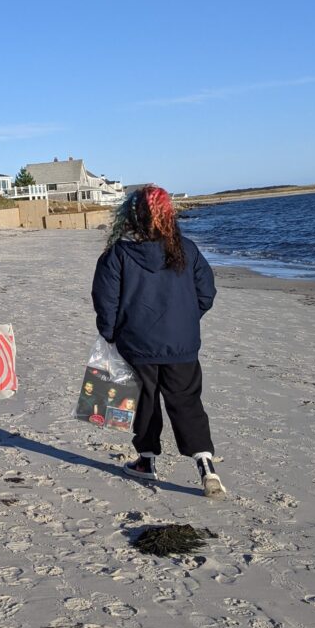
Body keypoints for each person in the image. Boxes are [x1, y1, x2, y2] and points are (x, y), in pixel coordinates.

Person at [91, 184, 225, 497]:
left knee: (145, 403)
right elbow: (205, 293)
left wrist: (110, 335)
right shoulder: (186, 249)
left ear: (132, 217)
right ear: (167, 216)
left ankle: (147, 460)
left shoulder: (117, 255)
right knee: (186, 402)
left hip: (138, 345)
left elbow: (105, 303)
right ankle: (205, 465)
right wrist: (185, 321)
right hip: (181, 344)